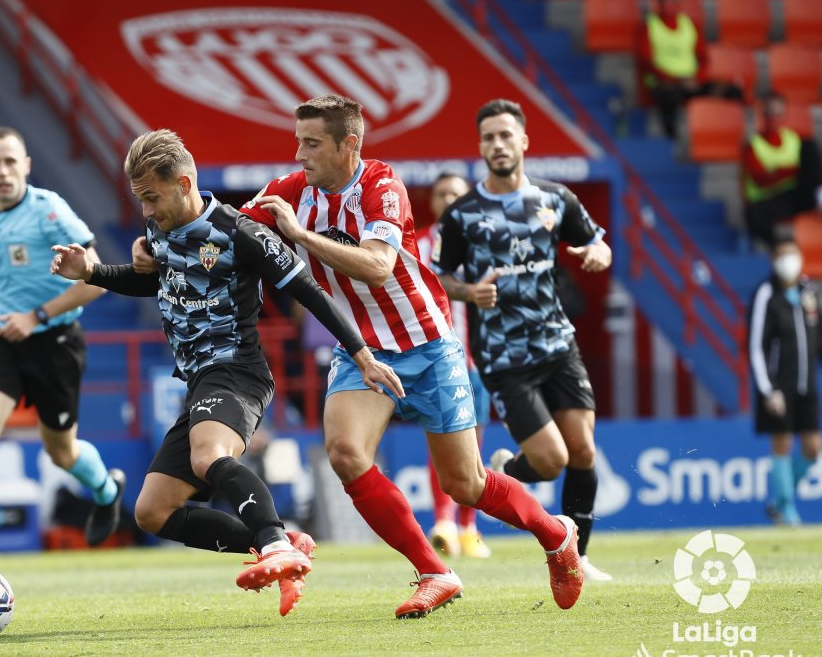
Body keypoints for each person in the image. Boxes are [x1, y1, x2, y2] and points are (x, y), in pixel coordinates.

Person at [137, 95, 585, 618]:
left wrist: (301, 236)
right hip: (361, 350)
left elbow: (376, 267)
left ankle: (556, 536)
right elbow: (229, 231)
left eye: (312, 143)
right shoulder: (288, 191)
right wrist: (160, 245)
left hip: (427, 344)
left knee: (465, 484)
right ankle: (435, 571)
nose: (299, 155)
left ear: (350, 144)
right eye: (297, 141)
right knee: (347, 455)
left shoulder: (382, 187)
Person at [53, 129, 403, 617]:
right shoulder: (160, 230)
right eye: (141, 200)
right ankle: (281, 542)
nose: (147, 211)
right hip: (199, 382)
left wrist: (361, 352)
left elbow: (308, 292)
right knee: (153, 511)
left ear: (184, 181)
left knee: (208, 456)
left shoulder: (242, 233)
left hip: (237, 369)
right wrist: (91, 272)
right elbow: (154, 282)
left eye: (153, 197)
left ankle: (275, 541)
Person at [432, 98, 613, 583]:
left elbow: (597, 240)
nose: (498, 144)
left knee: (583, 451)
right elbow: (438, 278)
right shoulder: (462, 215)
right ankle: (508, 468)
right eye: (489, 137)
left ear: (523, 142)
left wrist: (597, 253)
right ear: (481, 147)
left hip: (558, 346)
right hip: (505, 358)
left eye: (505, 135)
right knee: (551, 461)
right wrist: (469, 292)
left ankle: (580, 556)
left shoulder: (555, 199)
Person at [0, 126, 122, 567]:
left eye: (11, 160)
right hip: (3, 339)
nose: (3, 170)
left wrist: (38, 316)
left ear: (26, 165)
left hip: (55, 342)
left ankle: (107, 491)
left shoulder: (49, 210)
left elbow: (97, 280)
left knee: (60, 451)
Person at [414, 173, 491, 559]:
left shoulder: (483, 244)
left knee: (473, 445)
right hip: (436, 359)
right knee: (441, 441)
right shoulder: (420, 243)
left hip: (478, 361)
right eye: (442, 193)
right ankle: (443, 522)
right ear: (433, 201)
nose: (449, 199)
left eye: (456, 194)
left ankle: (469, 528)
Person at [748, 235, 820, 525]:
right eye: (782, 255)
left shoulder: (809, 293)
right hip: (779, 386)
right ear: (773, 260)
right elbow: (756, 346)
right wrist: (769, 390)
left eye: (792, 254)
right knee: (782, 443)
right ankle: (787, 511)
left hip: (807, 385)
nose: (788, 261)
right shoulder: (766, 293)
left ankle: (778, 501)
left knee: (813, 447)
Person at [636, 0, 741, 139]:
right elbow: (646, 62)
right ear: (659, 0)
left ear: (679, 0)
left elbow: (703, 59)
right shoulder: (648, 27)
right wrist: (676, 79)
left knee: (731, 91)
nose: (668, 2)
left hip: (692, 82)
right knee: (667, 94)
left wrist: (696, 79)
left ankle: (723, 135)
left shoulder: (689, 25)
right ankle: (671, 140)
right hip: (663, 82)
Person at [741, 92, 822, 250]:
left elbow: (809, 171)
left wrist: (781, 171)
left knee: (810, 147)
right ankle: (782, 250)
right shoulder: (753, 146)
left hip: (797, 195)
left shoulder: (795, 140)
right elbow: (761, 179)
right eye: (769, 113)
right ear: (762, 115)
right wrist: (793, 171)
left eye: (778, 113)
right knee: (753, 215)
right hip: (768, 199)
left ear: (784, 115)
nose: (773, 118)